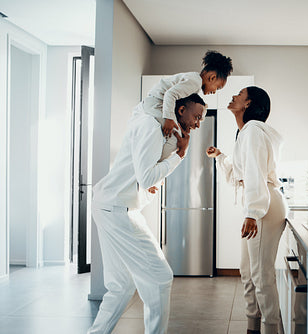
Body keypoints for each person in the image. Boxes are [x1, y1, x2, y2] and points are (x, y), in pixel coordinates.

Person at [88, 93, 207, 334]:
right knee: (161, 277)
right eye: (196, 116)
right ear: (180, 109)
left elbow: (145, 179)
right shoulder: (153, 127)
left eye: (201, 119)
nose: (198, 123)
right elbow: (146, 177)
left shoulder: (161, 129)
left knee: (121, 285)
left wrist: (151, 183)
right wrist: (180, 156)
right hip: (118, 209)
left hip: (111, 205)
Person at [206, 87, 287, 334]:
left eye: (239, 94)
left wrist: (252, 212)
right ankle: (253, 326)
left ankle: (270, 329)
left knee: (261, 275)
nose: (233, 96)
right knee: (247, 271)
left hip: (263, 206)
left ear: (248, 103)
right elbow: (242, 172)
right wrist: (221, 156)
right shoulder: (245, 132)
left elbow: (254, 174)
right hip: (258, 203)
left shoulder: (252, 131)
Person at [145, 50, 232, 137]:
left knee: (172, 135)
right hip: (156, 101)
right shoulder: (195, 82)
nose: (214, 92)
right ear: (212, 77)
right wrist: (169, 118)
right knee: (171, 137)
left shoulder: (195, 81)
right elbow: (170, 94)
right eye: (217, 88)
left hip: (156, 100)